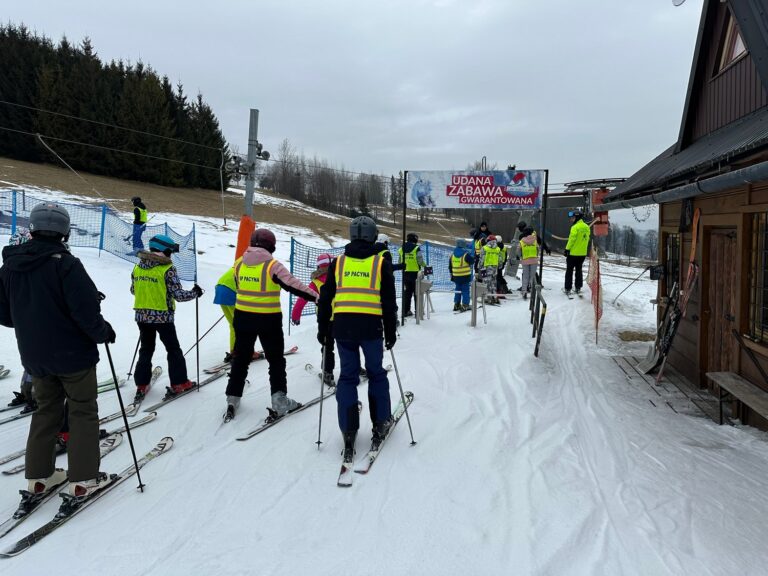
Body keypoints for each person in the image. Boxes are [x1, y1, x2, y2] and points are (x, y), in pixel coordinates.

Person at [0, 203, 116, 502]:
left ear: (34, 229)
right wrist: (104, 332)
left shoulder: (11, 265)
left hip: (35, 355)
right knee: (82, 412)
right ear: (64, 232)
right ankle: (83, 480)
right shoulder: (65, 264)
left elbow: (6, 314)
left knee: (45, 411)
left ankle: (39, 477)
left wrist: (32, 320)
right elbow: (86, 312)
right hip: (73, 356)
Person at [316, 216, 398, 463]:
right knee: (375, 373)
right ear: (374, 236)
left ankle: (348, 430)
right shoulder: (380, 262)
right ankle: (381, 421)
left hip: (343, 329)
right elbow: (389, 302)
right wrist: (391, 331)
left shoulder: (338, 262)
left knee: (348, 377)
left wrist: (322, 328)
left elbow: (325, 295)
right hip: (371, 327)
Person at [224, 228, 317, 419]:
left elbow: (239, 284)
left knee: (241, 359)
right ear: (271, 246)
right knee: (275, 360)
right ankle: (279, 401)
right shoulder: (272, 265)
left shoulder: (239, 263)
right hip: (268, 319)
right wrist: (317, 297)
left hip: (242, 317)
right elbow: (293, 284)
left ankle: (232, 398)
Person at [131, 234, 201, 402]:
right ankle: (179, 382)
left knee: (146, 349)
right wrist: (195, 293)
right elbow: (178, 295)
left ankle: (141, 383)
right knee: (173, 349)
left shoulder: (138, 267)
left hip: (142, 316)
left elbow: (134, 290)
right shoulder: (167, 269)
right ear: (165, 251)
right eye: (170, 251)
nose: (171, 255)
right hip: (163, 317)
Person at [291, 253, 336, 386]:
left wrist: (295, 315)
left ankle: (328, 373)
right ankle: (353, 368)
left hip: (325, 319)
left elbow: (302, 299)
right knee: (347, 345)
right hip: (343, 316)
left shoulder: (315, 283)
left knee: (327, 347)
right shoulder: (340, 277)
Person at [214, 265, 238, 363]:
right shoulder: (253, 266)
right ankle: (242, 352)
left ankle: (234, 351)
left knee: (233, 325)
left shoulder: (242, 262)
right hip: (230, 291)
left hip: (220, 289)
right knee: (242, 325)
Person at [398, 232, 425, 317]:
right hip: (416, 274)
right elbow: (420, 261)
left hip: (405, 273)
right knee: (417, 292)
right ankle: (418, 311)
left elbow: (399, 262)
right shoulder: (417, 248)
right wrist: (425, 266)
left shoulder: (401, 249)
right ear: (415, 239)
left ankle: (406, 311)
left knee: (407, 293)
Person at [564, 210, 591, 295]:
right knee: (579, 270)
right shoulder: (587, 227)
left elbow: (572, 239)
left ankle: (568, 288)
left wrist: (567, 249)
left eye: (572, 218)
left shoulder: (575, 227)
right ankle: (578, 287)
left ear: (577, 218)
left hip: (573, 254)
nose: (571, 220)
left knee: (569, 270)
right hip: (582, 254)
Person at [449, 239, 473, 311]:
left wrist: (452, 274)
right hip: (465, 276)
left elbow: (450, 266)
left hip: (456, 276)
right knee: (465, 290)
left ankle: (457, 304)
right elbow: (472, 261)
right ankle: (465, 304)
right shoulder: (466, 254)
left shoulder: (452, 254)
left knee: (458, 289)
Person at [480, 235, 502, 304]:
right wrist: (500, 265)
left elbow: (482, 259)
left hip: (486, 267)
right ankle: (495, 297)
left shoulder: (484, 248)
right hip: (495, 268)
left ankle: (488, 298)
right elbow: (500, 259)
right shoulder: (498, 249)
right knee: (493, 283)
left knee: (486, 283)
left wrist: (480, 266)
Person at [519, 227, 539, 298]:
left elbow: (518, 252)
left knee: (525, 276)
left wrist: (520, 256)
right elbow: (537, 250)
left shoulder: (521, 241)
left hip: (525, 261)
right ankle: (532, 291)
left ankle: (524, 291)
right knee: (532, 276)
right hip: (534, 260)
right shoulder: (535, 240)